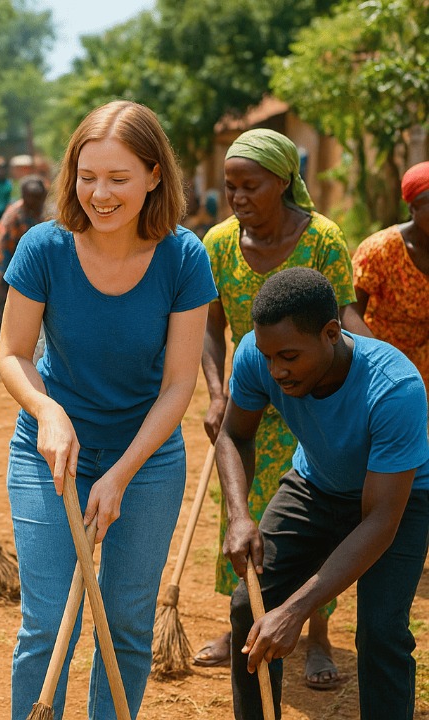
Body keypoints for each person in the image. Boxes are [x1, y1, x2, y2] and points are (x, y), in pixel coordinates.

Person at [0, 100, 215, 720]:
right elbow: (12, 354)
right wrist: (46, 410)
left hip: (145, 459)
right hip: (49, 452)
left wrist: (121, 473)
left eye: (119, 178)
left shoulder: (183, 257)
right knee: (45, 628)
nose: (100, 193)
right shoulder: (44, 247)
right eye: (87, 176)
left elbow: (179, 385)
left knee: (124, 624)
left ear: (154, 175)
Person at [195, 128, 371, 687]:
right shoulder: (218, 244)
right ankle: (241, 620)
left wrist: (376, 378)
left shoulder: (322, 238)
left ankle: (317, 636)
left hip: (314, 400)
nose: (239, 198)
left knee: (318, 518)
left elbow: (341, 318)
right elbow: (210, 323)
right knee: (242, 511)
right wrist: (217, 391)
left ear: (284, 182)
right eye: (231, 188)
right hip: (250, 397)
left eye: (252, 186)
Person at [219, 267, 429, 720]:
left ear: (331, 333)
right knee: (246, 608)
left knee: (381, 630)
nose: (276, 371)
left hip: (397, 500)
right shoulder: (258, 358)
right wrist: (239, 515)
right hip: (315, 484)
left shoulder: (394, 389)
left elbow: (379, 521)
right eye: (268, 356)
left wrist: (296, 610)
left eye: (289, 357)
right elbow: (234, 435)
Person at [351, 161, 429, 387]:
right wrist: (379, 358)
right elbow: (348, 310)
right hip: (379, 359)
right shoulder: (380, 249)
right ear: (412, 208)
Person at [0, 175, 48, 381]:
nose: (36, 205)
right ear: (24, 197)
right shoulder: (14, 217)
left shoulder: (42, 213)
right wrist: (5, 288)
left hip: (34, 280)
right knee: (1, 322)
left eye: (39, 200)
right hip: (6, 278)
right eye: (32, 200)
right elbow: (3, 254)